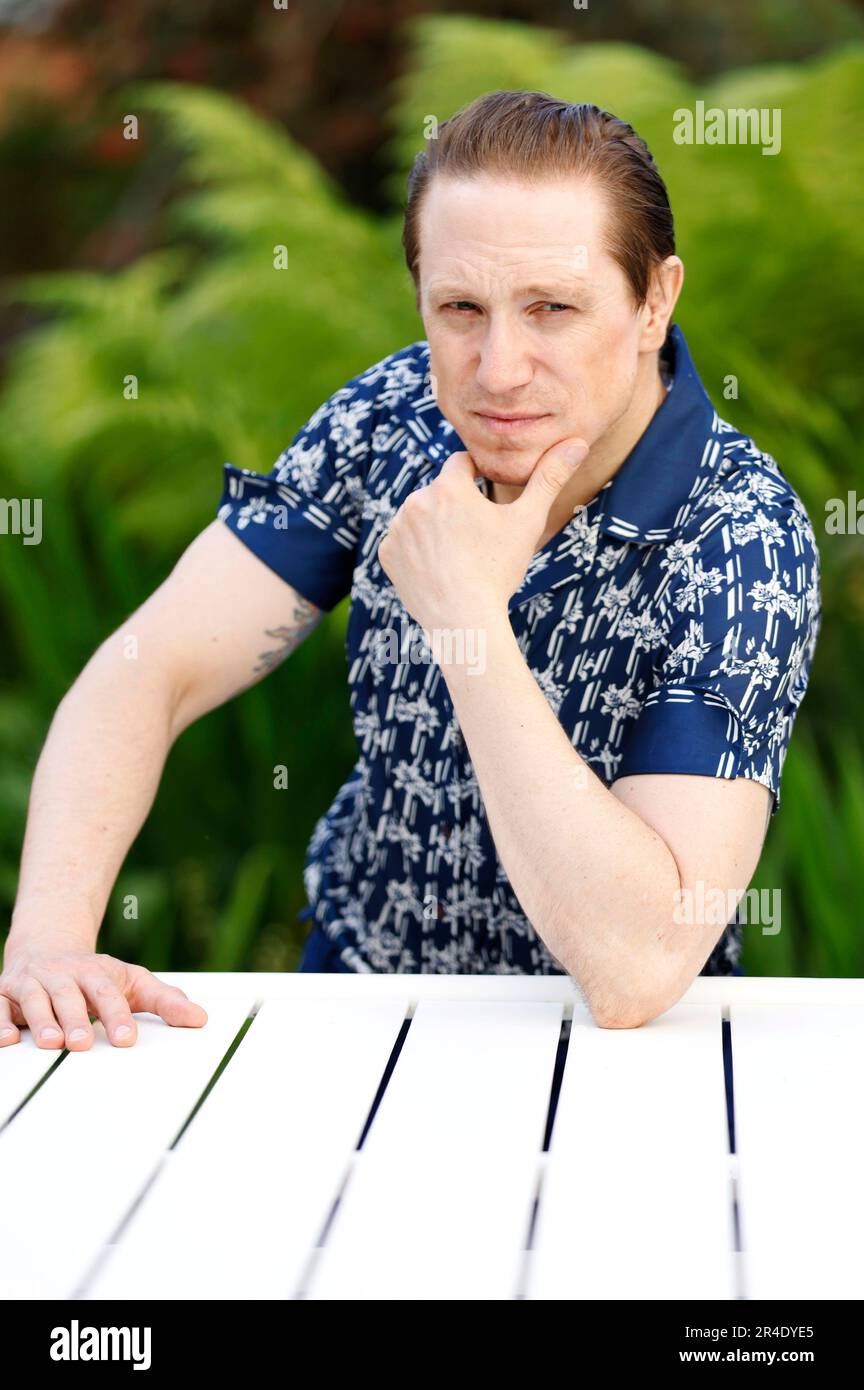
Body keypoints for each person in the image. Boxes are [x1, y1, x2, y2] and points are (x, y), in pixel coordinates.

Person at [0, 92, 821, 1050]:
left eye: (552, 308)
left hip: (621, 1061)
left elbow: (637, 966)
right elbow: (149, 667)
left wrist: (467, 617)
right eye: (460, 309)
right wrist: (47, 944)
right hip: (360, 1011)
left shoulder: (741, 539)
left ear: (655, 300)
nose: (499, 370)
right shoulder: (393, 417)